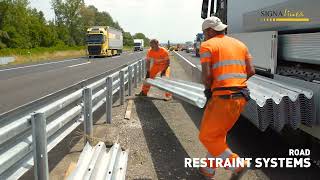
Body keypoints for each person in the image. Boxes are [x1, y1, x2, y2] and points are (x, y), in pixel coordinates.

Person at [198, 16, 255, 179]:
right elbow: (251, 70)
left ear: (209, 31)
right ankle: (208, 170)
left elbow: (207, 76)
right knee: (217, 134)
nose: (204, 35)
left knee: (206, 136)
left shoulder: (207, 45)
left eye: (204, 32)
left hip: (223, 97)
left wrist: (208, 90)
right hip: (241, 96)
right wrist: (236, 82)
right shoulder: (240, 44)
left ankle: (236, 164)